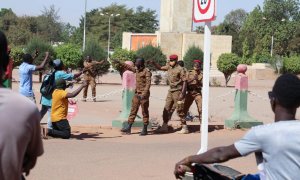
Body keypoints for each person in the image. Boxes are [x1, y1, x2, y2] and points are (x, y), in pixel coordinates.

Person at [174, 73, 300, 180]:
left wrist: (189, 159)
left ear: (273, 100)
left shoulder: (262, 133)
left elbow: (221, 154)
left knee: (202, 172)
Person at [0, 31, 44, 180]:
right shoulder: (25, 109)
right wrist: (45, 57)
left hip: (21, 91)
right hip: (27, 94)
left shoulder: (24, 66)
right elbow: (30, 161)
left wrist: (35, 54)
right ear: (7, 66)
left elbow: (31, 60)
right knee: (35, 114)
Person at [40, 59, 83, 130]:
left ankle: (33, 124)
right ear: (60, 66)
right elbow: (73, 76)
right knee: (51, 114)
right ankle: (49, 130)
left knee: (42, 111)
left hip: (44, 96)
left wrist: (67, 85)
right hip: (51, 97)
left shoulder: (50, 72)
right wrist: (82, 72)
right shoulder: (60, 73)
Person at [149, 54, 187, 133]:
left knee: (179, 109)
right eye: (170, 60)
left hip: (178, 91)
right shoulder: (169, 67)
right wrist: (153, 63)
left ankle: (184, 127)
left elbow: (184, 81)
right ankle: (165, 126)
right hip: (171, 91)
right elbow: (160, 68)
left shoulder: (180, 69)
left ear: (176, 61)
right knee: (166, 109)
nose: (171, 62)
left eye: (172, 60)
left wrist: (182, 93)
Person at [115, 58, 152, 136]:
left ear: (141, 63)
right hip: (136, 93)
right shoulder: (136, 69)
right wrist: (119, 62)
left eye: (137, 62)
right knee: (133, 110)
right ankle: (128, 128)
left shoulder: (146, 71)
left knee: (144, 112)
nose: (135, 63)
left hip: (143, 95)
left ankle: (145, 129)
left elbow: (148, 84)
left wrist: (144, 94)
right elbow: (128, 67)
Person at [179, 60, 203, 134]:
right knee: (183, 109)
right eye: (195, 64)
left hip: (197, 93)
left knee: (201, 109)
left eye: (198, 65)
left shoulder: (202, 74)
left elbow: (202, 84)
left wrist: (197, 80)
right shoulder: (189, 73)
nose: (196, 66)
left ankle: (202, 126)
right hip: (189, 93)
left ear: (200, 66)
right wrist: (183, 93)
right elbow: (185, 83)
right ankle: (184, 126)